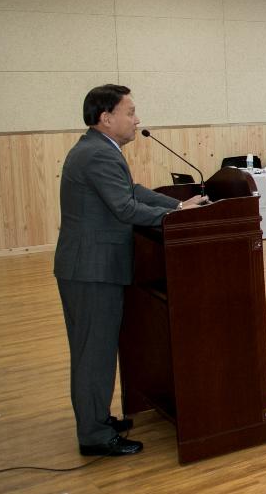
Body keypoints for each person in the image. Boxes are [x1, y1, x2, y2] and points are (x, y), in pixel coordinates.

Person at [55, 85, 208, 456]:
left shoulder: (98, 150)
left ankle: (97, 419)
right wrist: (177, 214)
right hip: (92, 270)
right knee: (94, 353)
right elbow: (125, 208)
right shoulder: (97, 155)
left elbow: (133, 190)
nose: (137, 120)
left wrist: (180, 201)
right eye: (130, 112)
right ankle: (93, 435)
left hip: (91, 267)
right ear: (106, 118)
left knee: (96, 350)